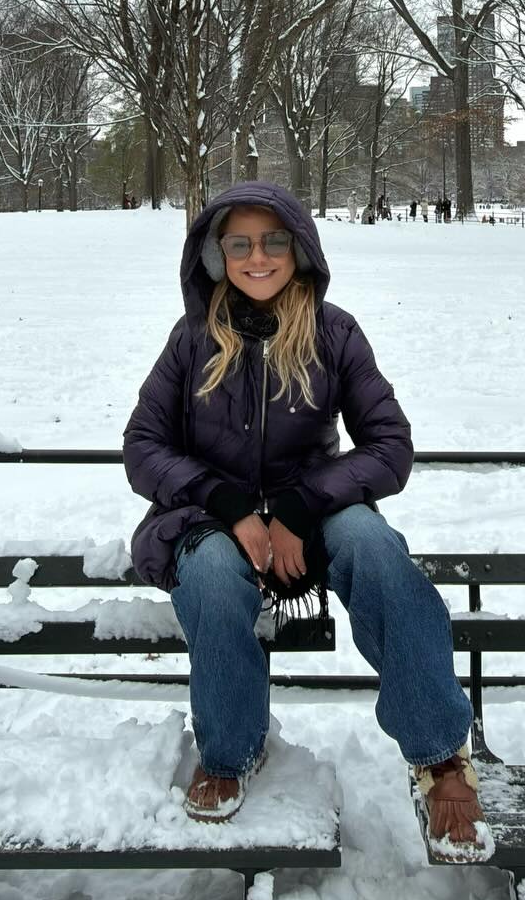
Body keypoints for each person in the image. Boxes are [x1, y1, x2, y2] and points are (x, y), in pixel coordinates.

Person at [122, 181, 484, 854]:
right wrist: (228, 506)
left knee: (375, 550)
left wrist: (298, 506)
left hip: (311, 512)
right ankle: (229, 753)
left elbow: (389, 446)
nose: (257, 257)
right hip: (211, 518)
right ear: (216, 255)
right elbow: (143, 447)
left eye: (273, 241)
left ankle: (438, 757)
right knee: (208, 576)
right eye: (240, 244)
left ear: (300, 248)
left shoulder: (334, 332)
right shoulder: (192, 339)